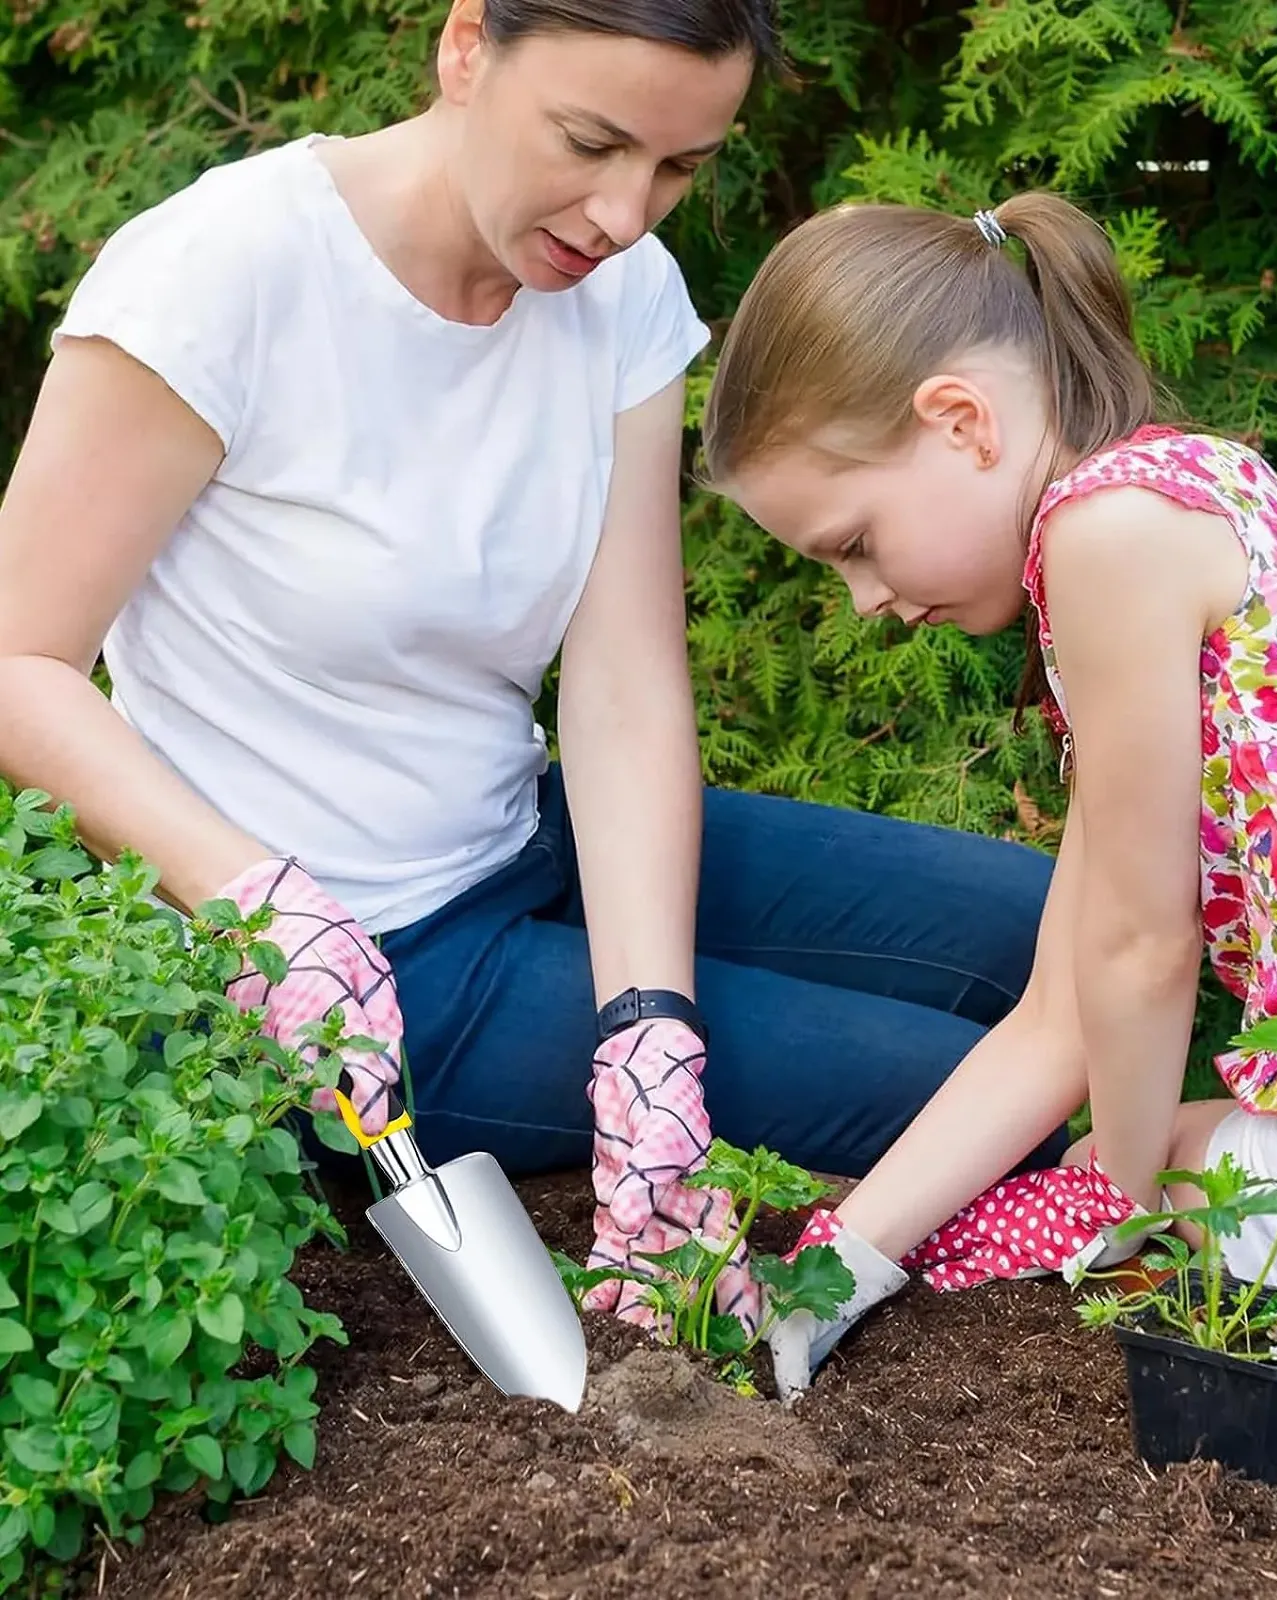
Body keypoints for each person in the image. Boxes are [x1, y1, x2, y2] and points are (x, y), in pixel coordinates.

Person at [0, 2, 1054, 1338]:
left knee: (1042, 931)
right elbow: (19, 659)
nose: (623, 212)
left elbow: (621, 686)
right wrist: (257, 904)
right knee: (965, 1093)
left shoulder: (618, 294)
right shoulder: (223, 273)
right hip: (354, 976)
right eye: (591, 140)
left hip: (522, 840)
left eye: (677, 168)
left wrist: (652, 1028)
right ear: (463, 48)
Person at [698, 192, 1277, 1394]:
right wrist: (839, 1255)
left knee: (1151, 1158)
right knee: (1154, 1138)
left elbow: (1135, 954)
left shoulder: (1103, 540)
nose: (865, 600)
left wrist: (1108, 1213)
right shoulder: (1192, 493)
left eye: (853, 542)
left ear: (960, 419)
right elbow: (1059, 1012)